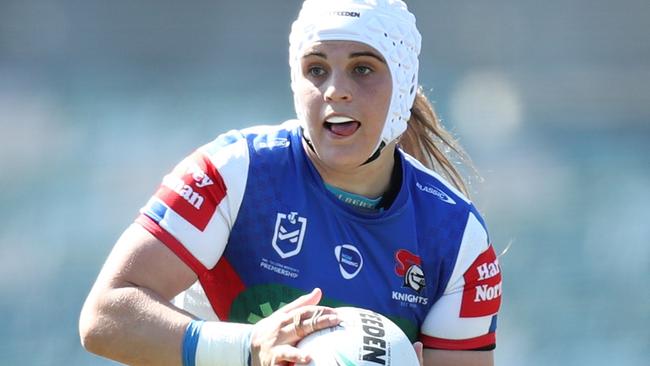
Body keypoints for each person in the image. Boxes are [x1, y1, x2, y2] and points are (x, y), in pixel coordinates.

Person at [79, 0, 503, 365]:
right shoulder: (235, 171)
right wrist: (249, 349)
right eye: (316, 69)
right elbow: (105, 315)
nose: (335, 90)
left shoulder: (457, 236)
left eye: (362, 69)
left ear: (404, 85)